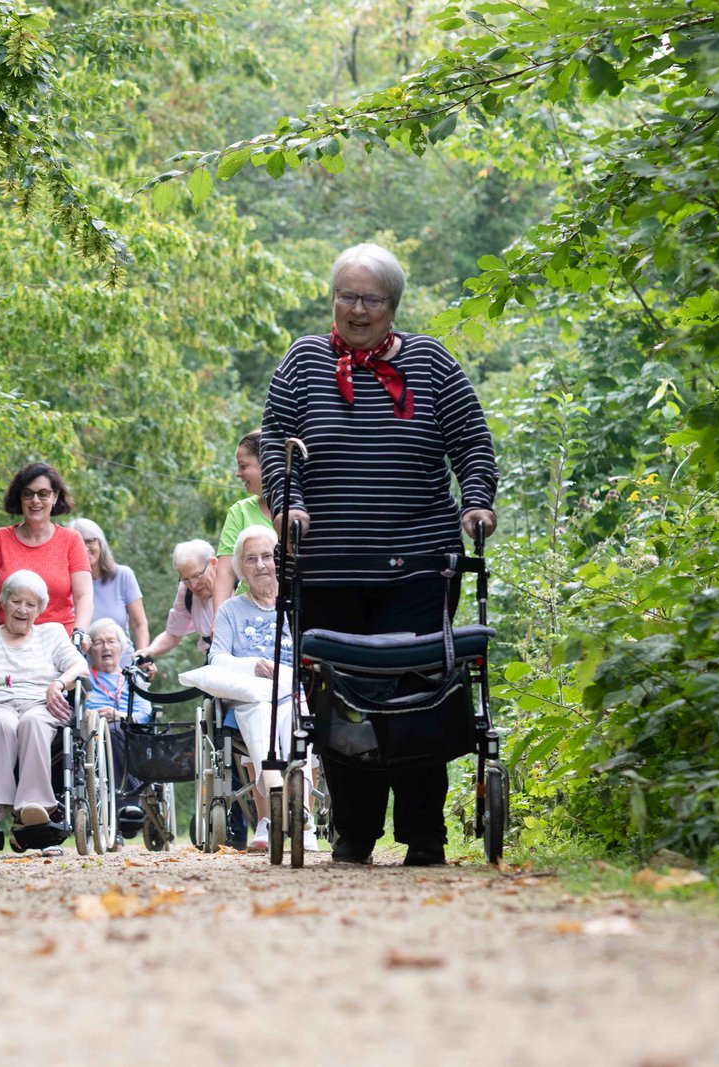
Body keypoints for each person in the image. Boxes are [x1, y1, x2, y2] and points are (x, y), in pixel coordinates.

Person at [262, 240, 497, 867]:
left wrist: (476, 502)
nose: (356, 309)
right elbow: (277, 458)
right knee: (341, 696)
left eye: (370, 299)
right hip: (327, 567)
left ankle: (424, 837)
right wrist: (288, 507)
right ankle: (354, 835)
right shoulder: (302, 363)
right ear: (332, 300)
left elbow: (472, 442)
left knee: (414, 692)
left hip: (418, 563)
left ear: (393, 306)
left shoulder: (432, 363)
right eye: (346, 296)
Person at [0, 570, 89, 833]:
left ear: (39, 610)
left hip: (40, 704)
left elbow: (79, 666)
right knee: (2, 723)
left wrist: (58, 684)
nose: (22, 609)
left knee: (32, 721)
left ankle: (34, 806)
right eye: (16, 601)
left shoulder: (52, 634)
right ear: (3, 602)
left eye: (30, 604)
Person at [208, 524, 314, 852]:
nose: (261, 565)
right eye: (251, 559)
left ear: (279, 560)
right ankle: (269, 819)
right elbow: (216, 659)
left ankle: (303, 816)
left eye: (268, 556)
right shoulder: (230, 611)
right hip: (251, 694)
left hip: (296, 691)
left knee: (294, 714)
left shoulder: (300, 603)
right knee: (260, 712)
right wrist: (251, 666)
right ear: (241, 567)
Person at [0, 463, 93, 649]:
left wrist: (80, 631)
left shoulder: (71, 540)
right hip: (8, 643)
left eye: (43, 494)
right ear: (20, 498)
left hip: (59, 644)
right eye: (28, 494)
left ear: (55, 496)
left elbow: (84, 594)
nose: (35, 500)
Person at [83, 618, 145, 836]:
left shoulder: (133, 677)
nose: (106, 647)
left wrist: (118, 715)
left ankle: (128, 803)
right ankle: (127, 804)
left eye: (111, 641)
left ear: (122, 646)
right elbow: (75, 709)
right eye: (98, 642)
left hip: (126, 733)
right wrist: (89, 714)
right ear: (89, 649)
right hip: (92, 736)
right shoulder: (83, 677)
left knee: (117, 729)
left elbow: (145, 712)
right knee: (109, 730)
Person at [213, 430, 272, 613]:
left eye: (243, 466)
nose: (238, 474)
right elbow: (225, 572)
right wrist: (219, 618)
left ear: (268, 464)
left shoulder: (300, 510)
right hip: (249, 613)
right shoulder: (240, 512)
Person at [70, 518, 150, 652]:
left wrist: (142, 657)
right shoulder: (67, 584)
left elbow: (139, 624)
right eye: (78, 544)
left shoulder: (123, 576)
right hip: (83, 667)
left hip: (122, 666)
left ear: (101, 543)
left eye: (90, 541)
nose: (84, 548)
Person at [138, 539, 219, 667]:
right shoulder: (186, 592)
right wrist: (150, 651)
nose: (193, 584)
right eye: (186, 579)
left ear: (213, 563)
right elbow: (173, 634)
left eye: (197, 575)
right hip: (215, 661)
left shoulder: (237, 584)